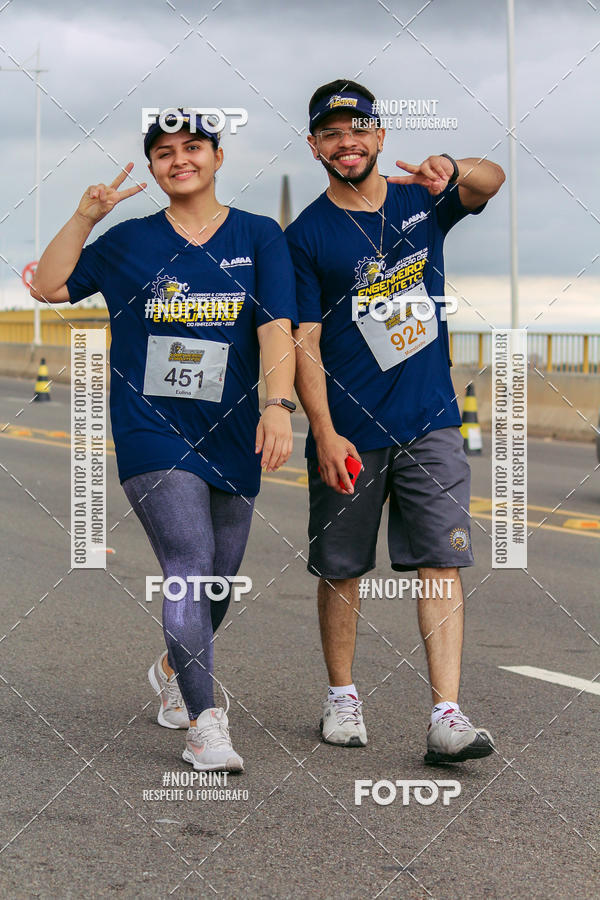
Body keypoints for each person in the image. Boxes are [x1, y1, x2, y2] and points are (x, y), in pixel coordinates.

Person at [31, 109, 298, 772]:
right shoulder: (130, 241)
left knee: (220, 580)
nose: (180, 160)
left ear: (217, 157)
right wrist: (87, 215)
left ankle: (175, 668)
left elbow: (275, 329)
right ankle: (207, 725)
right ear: (152, 168)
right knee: (188, 561)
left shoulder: (259, 236)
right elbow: (50, 285)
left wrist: (278, 405)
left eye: (193, 148)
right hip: (151, 426)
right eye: (164, 153)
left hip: (233, 427)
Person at [285, 80, 505, 763]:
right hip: (351, 428)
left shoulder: (420, 201)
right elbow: (303, 340)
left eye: (358, 131)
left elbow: (491, 180)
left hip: (431, 420)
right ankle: (342, 695)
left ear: (381, 137)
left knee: (442, 559)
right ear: (316, 145)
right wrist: (322, 429)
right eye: (331, 133)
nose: (346, 142)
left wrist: (450, 163)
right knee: (342, 568)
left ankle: (447, 715)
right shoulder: (306, 236)